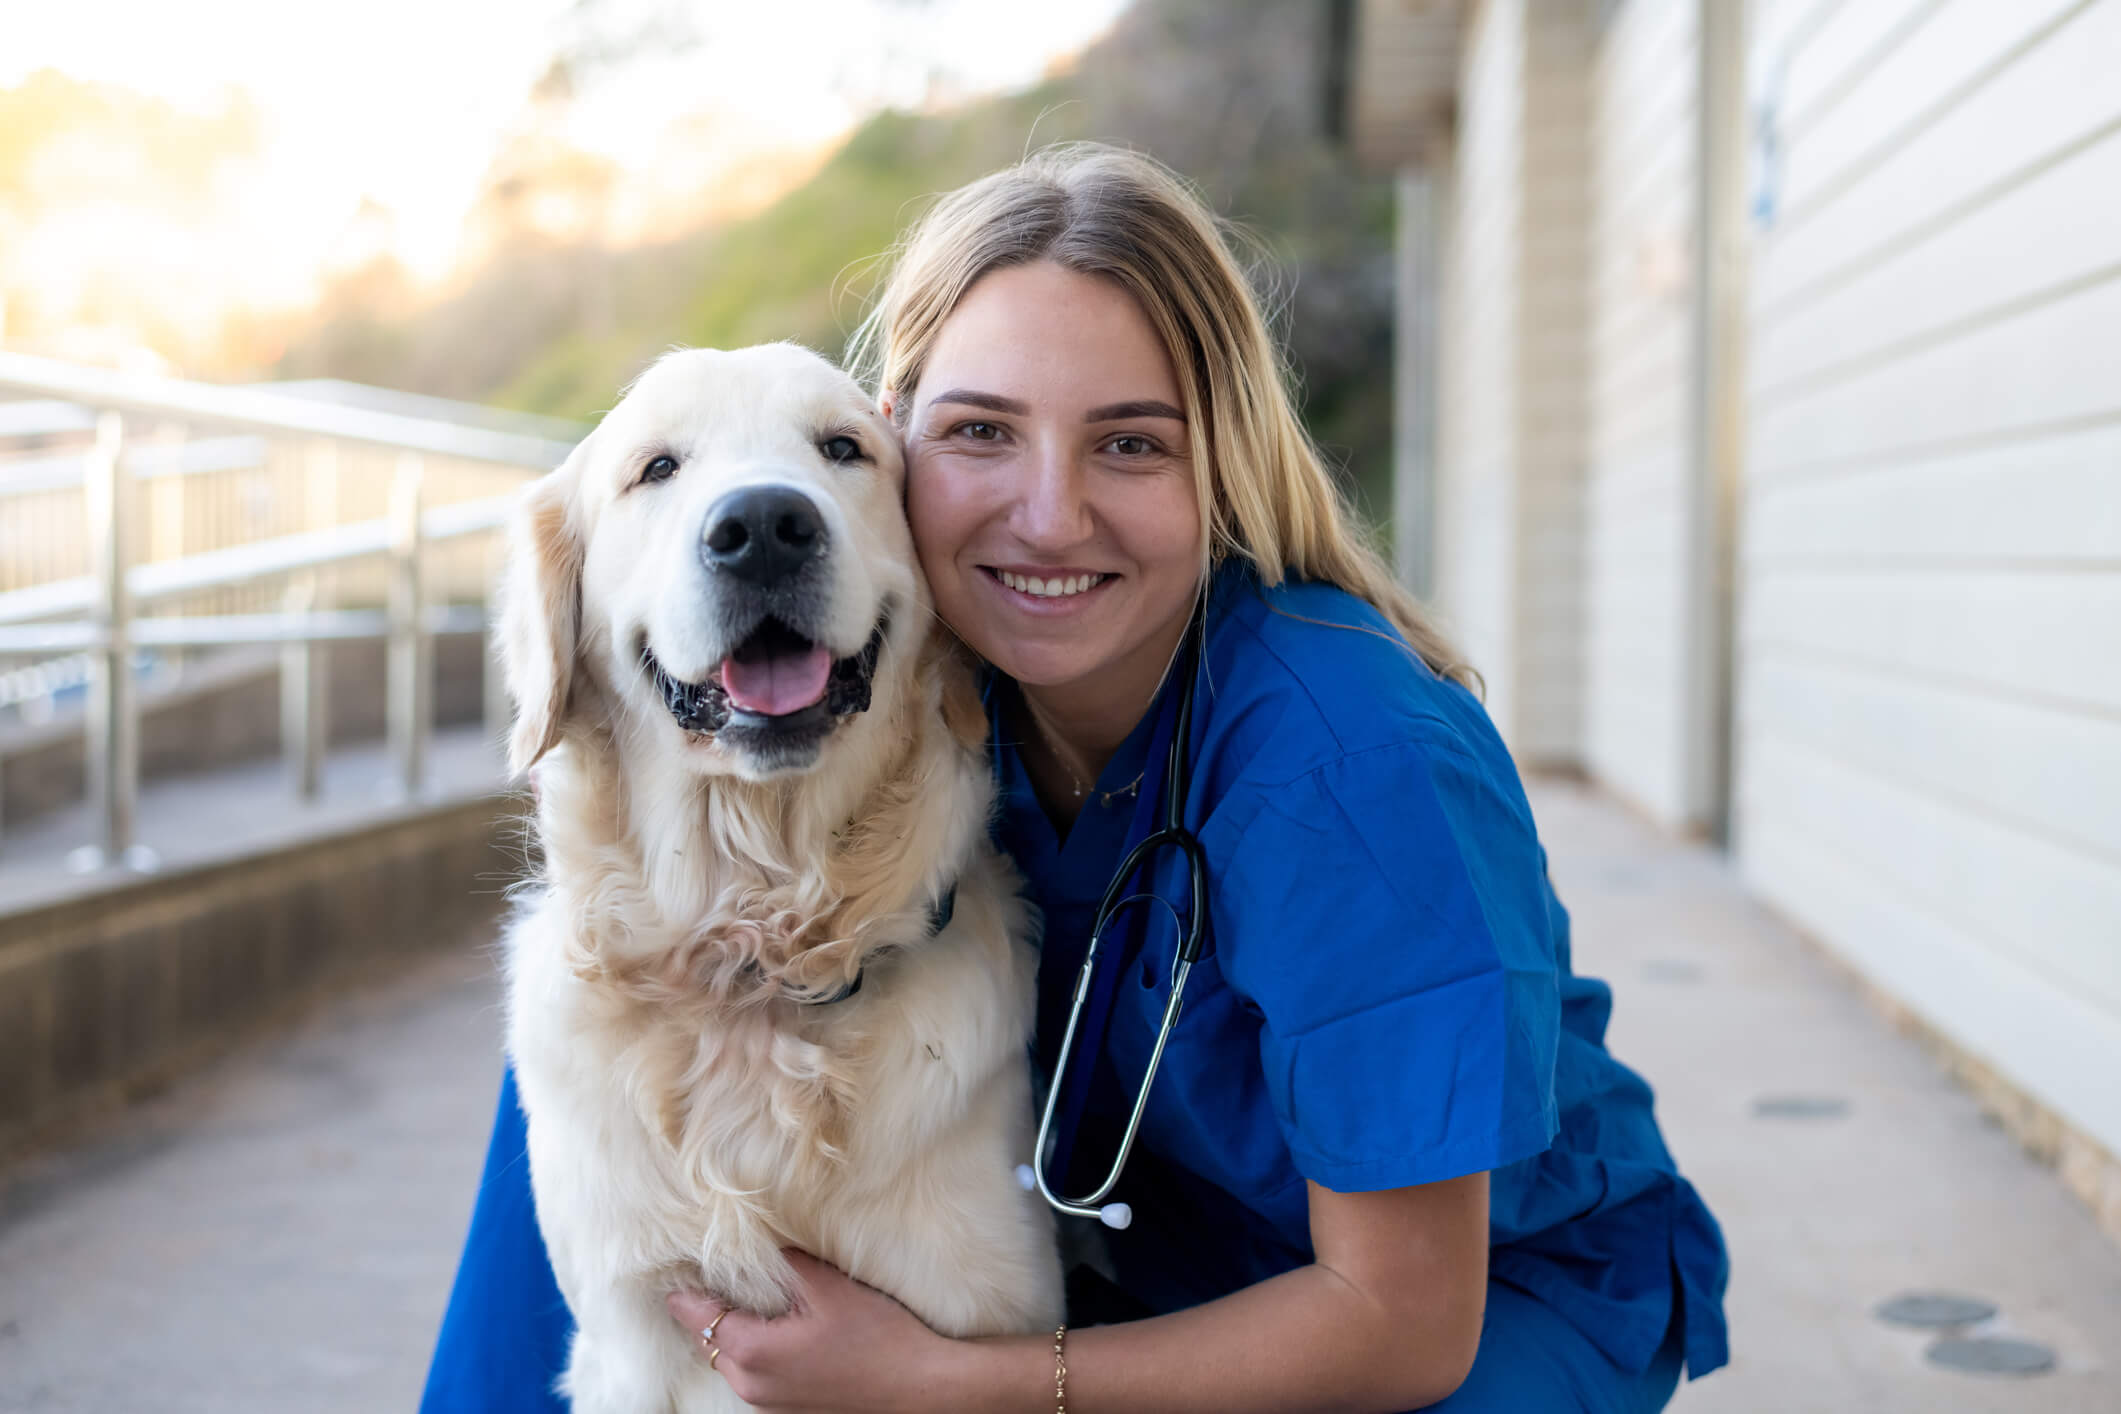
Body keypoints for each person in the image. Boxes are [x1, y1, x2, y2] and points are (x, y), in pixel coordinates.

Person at [422, 143, 1728, 1413]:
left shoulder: (1349, 764)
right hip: (1163, 1257)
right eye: (983, 432)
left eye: (1130, 445)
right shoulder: (929, 671)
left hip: (1465, 1308)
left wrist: (947, 1385)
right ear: (906, 451)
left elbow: (1401, 1321)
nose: (1047, 517)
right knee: (598, 996)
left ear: (1221, 456)